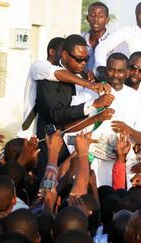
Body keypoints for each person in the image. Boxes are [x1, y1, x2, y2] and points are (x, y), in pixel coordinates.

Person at [35, 34, 114, 170]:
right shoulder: (47, 77)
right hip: (53, 151)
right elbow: (56, 115)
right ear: (64, 55)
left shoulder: (85, 76)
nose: (83, 63)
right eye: (78, 59)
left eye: (86, 59)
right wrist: (94, 104)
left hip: (79, 152)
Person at [90, 53, 141, 186]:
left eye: (120, 71)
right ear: (106, 71)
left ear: (127, 73)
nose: (115, 75)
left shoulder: (136, 98)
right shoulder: (92, 91)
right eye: (111, 70)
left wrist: (127, 129)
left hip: (122, 162)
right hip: (95, 161)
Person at [82, 2, 110, 75]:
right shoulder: (79, 39)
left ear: (107, 20)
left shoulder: (115, 43)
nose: (96, 19)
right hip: (80, 83)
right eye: (92, 15)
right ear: (87, 18)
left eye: (101, 16)